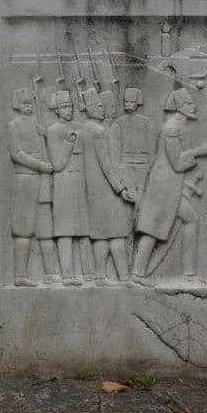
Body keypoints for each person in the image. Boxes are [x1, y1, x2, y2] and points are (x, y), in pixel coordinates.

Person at [132, 88, 207, 287]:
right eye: (188, 104)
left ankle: (188, 274)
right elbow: (177, 163)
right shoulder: (171, 128)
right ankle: (138, 274)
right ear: (179, 108)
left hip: (171, 186)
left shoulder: (179, 126)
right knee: (153, 228)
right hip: (164, 186)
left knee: (190, 220)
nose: (193, 107)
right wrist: (199, 152)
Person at [78, 88, 135, 285]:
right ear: (90, 108)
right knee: (116, 233)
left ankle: (100, 276)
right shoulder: (98, 131)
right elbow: (107, 165)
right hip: (106, 190)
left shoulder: (83, 129)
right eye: (99, 106)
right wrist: (122, 189)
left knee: (101, 234)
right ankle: (124, 276)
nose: (103, 110)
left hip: (92, 189)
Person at [7, 88, 57, 286]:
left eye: (30, 103)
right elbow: (16, 153)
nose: (28, 106)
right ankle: (20, 275)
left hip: (42, 179)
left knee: (45, 226)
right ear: (17, 105)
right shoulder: (14, 125)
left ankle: (50, 272)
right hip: (26, 178)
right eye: (25, 103)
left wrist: (45, 135)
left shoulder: (37, 124)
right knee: (24, 228)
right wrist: (38, 165)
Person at [46, 90, 87, 286]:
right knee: (65, 230)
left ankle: (89, 273)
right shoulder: (53, 130)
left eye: (70, 106)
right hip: (63, 183)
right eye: (64, 107)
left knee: (83, 230)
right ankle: (67, 274)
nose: (68, 110)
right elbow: (57, 164)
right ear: (57, 110)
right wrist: (69, 142)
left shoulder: (80, 127)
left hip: (81, 183)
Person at [116, 87, 153, 195]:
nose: (128, 104)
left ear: (137, 103)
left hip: (143, 165)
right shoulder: (119, 122)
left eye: (131, 102)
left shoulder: (146, 122)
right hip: (125, 165)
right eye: (126, 102)